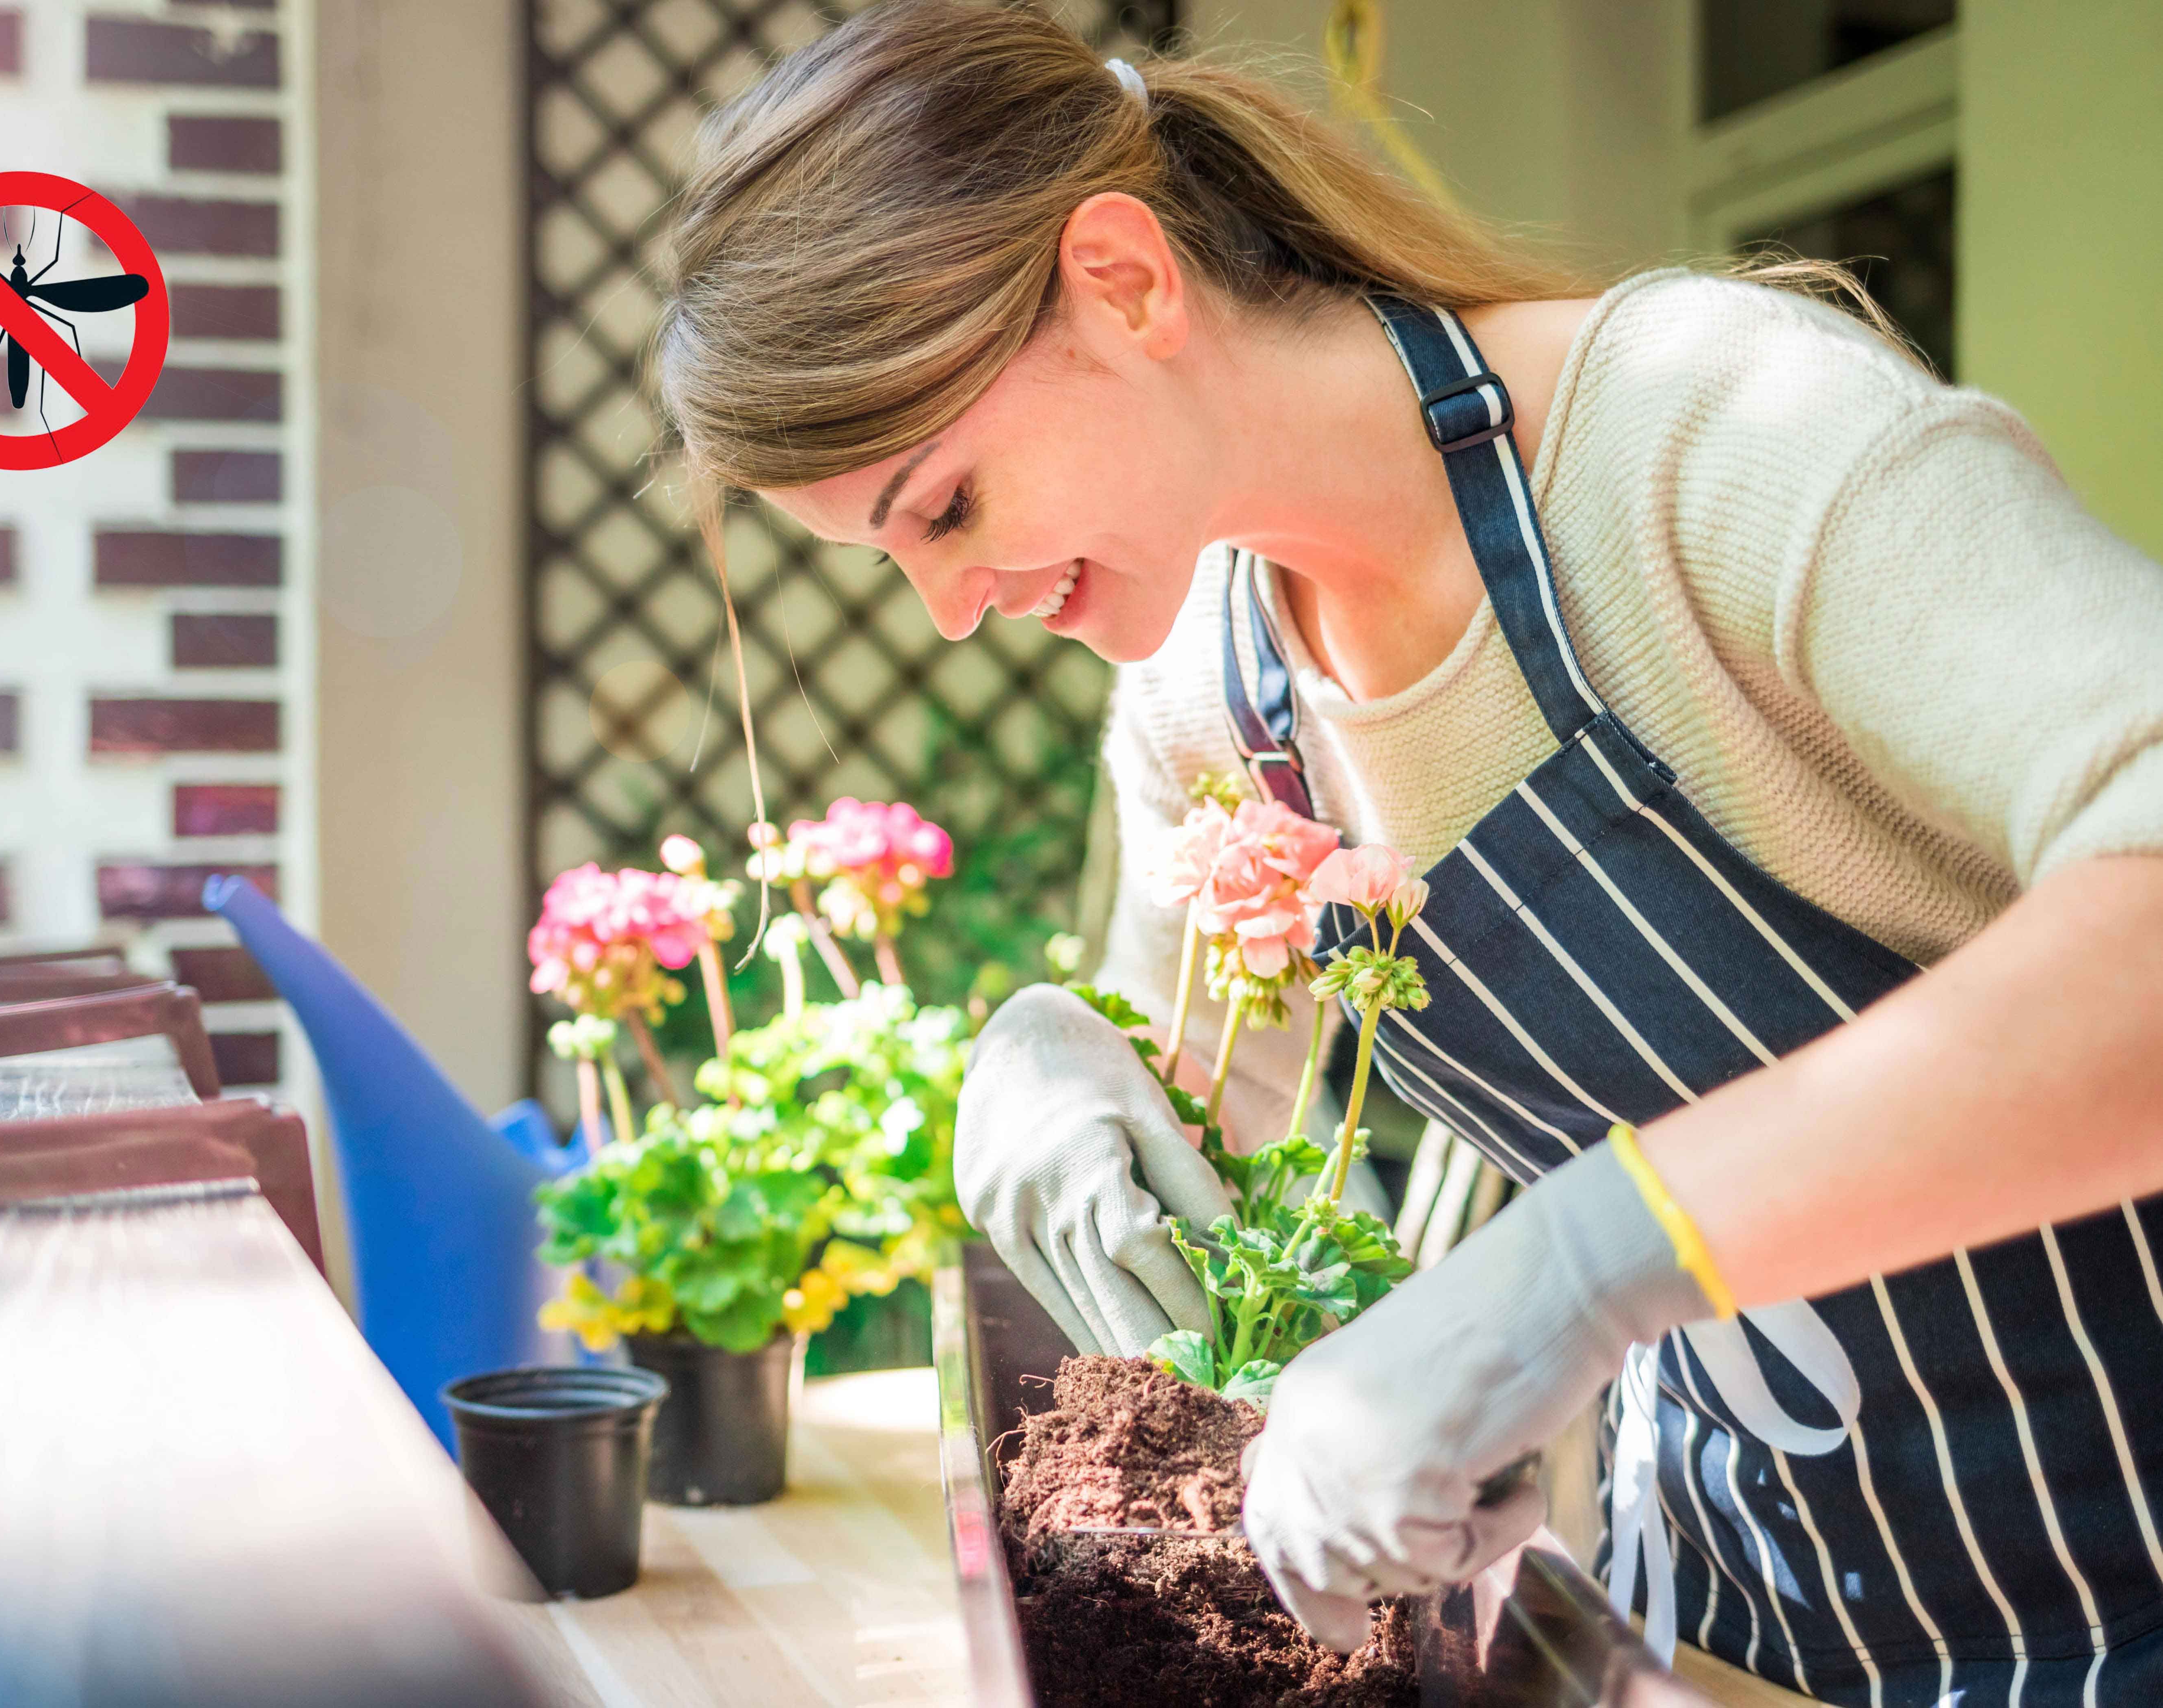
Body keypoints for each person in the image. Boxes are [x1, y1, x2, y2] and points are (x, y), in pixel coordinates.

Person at [649, 1, 2163, 1699]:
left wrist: (1592, 1258)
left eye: (947, 506)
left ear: (1129, 281)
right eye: (886, 558)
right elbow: (1249, 1142)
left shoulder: (1712, 442)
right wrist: (1062, 1056)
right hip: (1737, 1637)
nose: (947, 613)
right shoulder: (1206, 700)